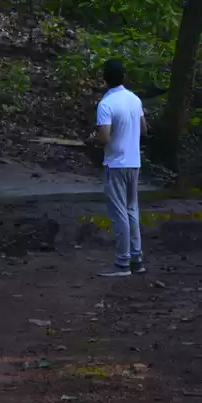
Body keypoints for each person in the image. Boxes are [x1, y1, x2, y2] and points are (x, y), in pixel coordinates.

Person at [90, 57, 146, 276]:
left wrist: (92, 139)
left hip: (115, 164)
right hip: (134, 162)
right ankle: (136, 258)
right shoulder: (134, 99)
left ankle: (122, 262)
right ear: (124, 76)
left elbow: (104, 137)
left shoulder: (106, 104)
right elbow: (143, 129)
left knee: (119, 212)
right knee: (132, 210)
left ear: (104, 79)